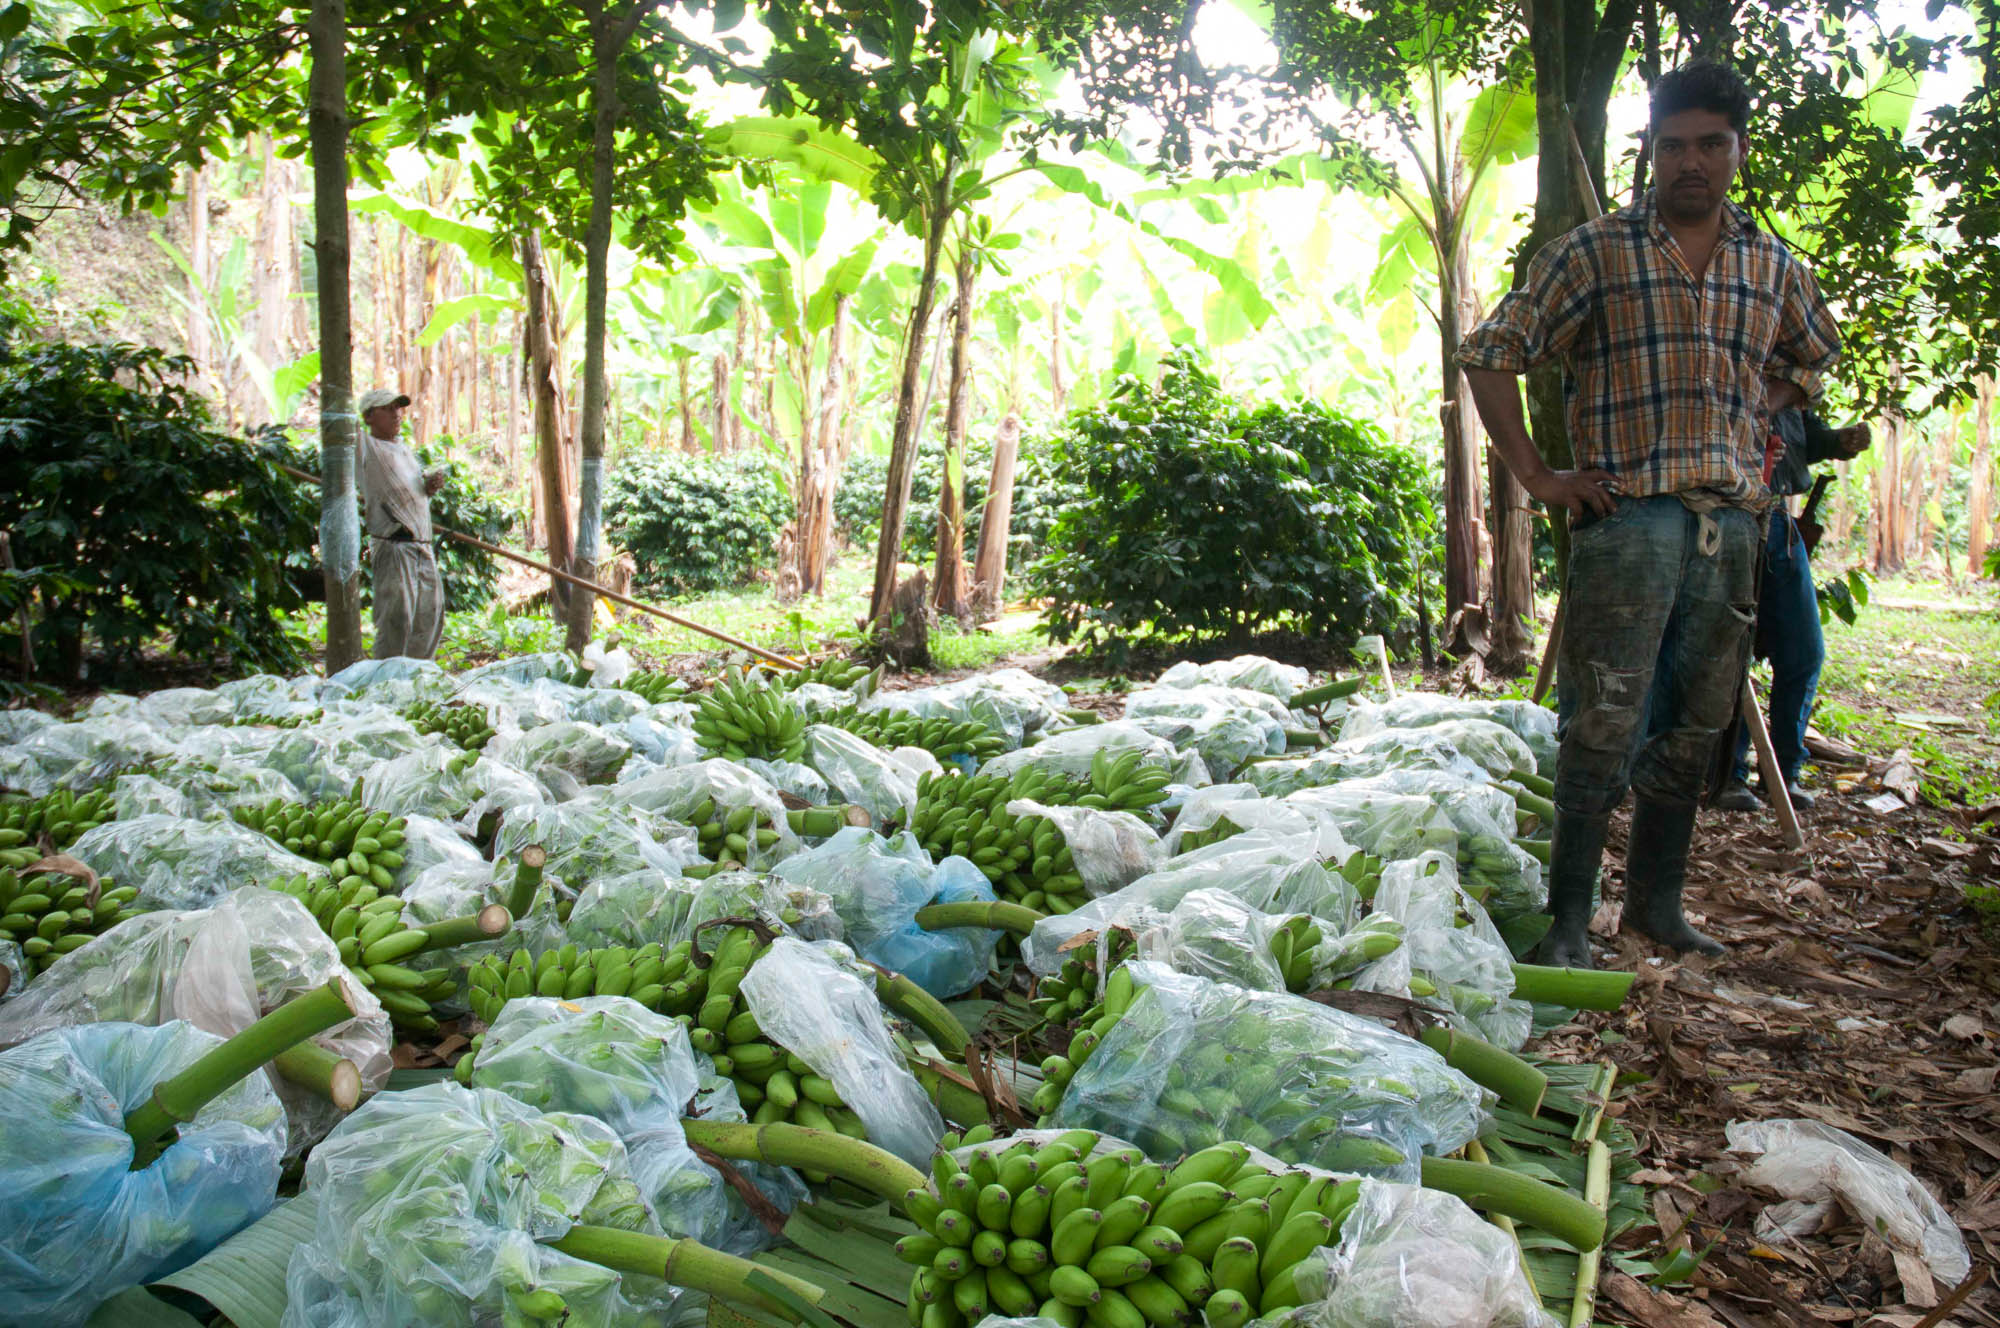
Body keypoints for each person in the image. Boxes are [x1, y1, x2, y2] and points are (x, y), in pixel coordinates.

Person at [1457, 61, 1841, 968]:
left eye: (1711, 144)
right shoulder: (1595, 252)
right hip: (1629, 521)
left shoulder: (1774, 265)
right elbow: (1490, 352)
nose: (1691, 163)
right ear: (1651, 152)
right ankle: (1566, 924)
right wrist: (1541, 476)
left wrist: (1756, 398)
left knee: (1700, 720)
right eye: (1673, 146)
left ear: (1737, 152)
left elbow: (1815, 356)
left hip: (1731, 525)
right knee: (1603, 719)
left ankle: (1655, 909)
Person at [1714, 409, 1871, 813]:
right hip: (1725, 517)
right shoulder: (1733, 360)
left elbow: (1805, 434)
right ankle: (1726, 774)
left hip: (1779, 523)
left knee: (1804, 652)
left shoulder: (1791, 375)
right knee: (1731, 650)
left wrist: (1837, 441)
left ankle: (1783, 772)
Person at [357, 388, 446, 661]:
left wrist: (428, 487)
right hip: (394, 546)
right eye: (389, 408)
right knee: (397, 618)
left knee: (429, 616)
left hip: (421, 545)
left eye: (399, 407)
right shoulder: (366, 447)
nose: (397, 414)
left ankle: (417, 675)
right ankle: (387, 677)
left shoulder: (402, 449)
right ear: (370, 416)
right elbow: (340, 427)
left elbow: (408, 491)